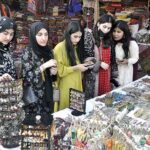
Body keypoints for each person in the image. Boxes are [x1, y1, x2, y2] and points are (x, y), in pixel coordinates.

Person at [22, 22, 57, 126]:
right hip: (34, 99)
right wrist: (43, 66)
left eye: (46, 34)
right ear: (33, 35)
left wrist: (53, 73)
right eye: (40, 34)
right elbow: (27, 77)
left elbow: (52, 77)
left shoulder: (49, 51)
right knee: (35, 129)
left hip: (47, 95)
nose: (43, 38)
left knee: (47, 126)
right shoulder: (28, 52)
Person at [0, 16, 24, 149]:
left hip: (8, 99)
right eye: (5, 33)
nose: (8, 37)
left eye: (11, 34)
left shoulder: (6, 49)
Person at [53, 21, 88, 110]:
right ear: (68, 34)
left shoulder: (76, 46)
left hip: (77, 83)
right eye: (75, 36)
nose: (77, 40)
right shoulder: (59, 48)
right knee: (65, 113)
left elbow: (76, 62)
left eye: (80, 37)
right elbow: (60, 71)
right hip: (66, 85)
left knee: (77, 111)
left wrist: (86, 62)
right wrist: (76, 67)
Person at [84, 14, 114, 97]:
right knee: (93, 99)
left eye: (108, 28)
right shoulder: (89, 36)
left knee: (104, 99)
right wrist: (99, 63)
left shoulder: (107, 38)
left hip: (106, 74)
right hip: (93, 75)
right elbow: (85, 57)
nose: (106, 30)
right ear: (98, 24)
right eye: (104, 27)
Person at [111, 20, 139, 86]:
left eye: (118, 32)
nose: (115, 34)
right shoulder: (112, 42)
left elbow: (135, 58)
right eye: (114, 31)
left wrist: (127, 61)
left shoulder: (131, 43)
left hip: (125, 71)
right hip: (113, 71)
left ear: (124, 32)